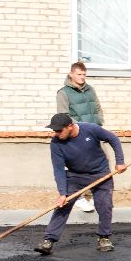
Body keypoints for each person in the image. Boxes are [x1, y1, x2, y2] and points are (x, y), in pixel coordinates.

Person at [38, 114, 127, 255]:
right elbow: (58, 170)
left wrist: (120, 161)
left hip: (100, 174)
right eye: (54, 131)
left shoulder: (90, 129)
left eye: (59, 130)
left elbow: (113, 138)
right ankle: (49, 240)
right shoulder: (56, 143)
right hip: (75, 176)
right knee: (63, 204)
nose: (56, 134)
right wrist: (62, 193)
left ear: (70, 126)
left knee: (105, 205)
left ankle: (104, 238)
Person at [56, 61, 103, 213]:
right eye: (79, 74)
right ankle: (81, 198)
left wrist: (98, 122)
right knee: (80, 166)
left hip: (93, 132)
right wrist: (80, 128)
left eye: (84, 74)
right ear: (71, 74)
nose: (82, 77)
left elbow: (97, 107)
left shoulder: (90, 90)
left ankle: (98, 196)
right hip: (77, 133)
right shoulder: (63, 93)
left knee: (100, 162)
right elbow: (63, 115)